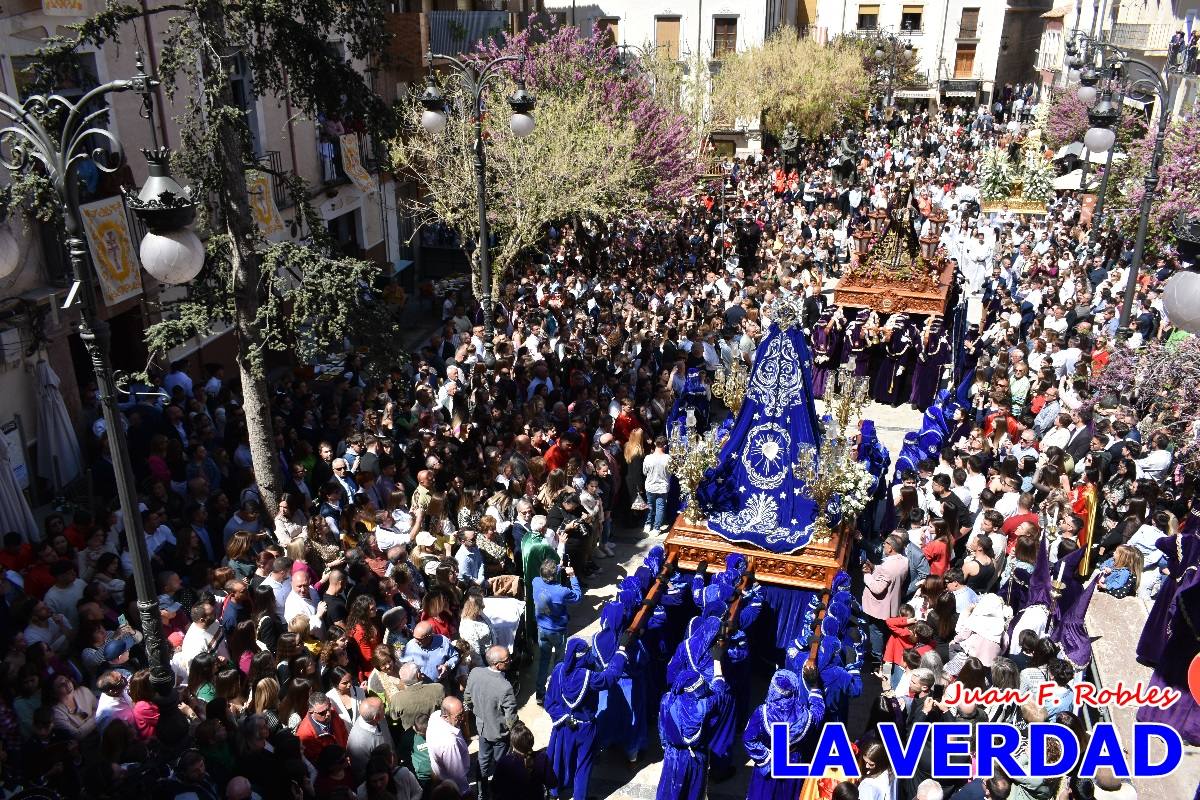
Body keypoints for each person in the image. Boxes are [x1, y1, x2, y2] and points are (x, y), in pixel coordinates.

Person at [545, 635, 630, 800]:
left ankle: (554, 792)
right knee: (583, 765)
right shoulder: (589, 677)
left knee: (559, 759)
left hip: (563, 726)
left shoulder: (558, 671)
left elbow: (550, 702)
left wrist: (563, 718)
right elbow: (610, 677)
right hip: (585, 729)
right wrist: (620, 652)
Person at [463, 645, 517, 800]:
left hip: (481, 729)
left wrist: (478, 712)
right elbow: (510, 717)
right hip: (499, 734)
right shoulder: (505, 687)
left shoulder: (475, 672)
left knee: (482, 762)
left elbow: (467, 697)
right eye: (507, 659)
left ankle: (481, 793)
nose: (510, 661)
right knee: (502, 765)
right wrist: (513, 733)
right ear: (497, 664)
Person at [531, 559, 581, 703]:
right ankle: (557, 690)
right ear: (554, 576)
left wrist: (559, 567)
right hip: (558, 631)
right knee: (559, 662)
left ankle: (540, 694)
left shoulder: (536, 582)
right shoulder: (562, 591)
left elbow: (547, 574)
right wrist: (572, 576)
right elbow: (577, 597)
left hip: (542, 629)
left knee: (544, 661)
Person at [426, 696, 470, 796]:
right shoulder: (449, 742)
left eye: (463, 713)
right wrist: (466, 792)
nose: (463, 718)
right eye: (459, 716)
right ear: (445, 717)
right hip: (452, 787)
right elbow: (457, 775)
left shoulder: (436, 715)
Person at [347, 697, 394, 782]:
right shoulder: (358, 743)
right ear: (376, 717)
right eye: (383, 707)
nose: (385, 708)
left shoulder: (379, 718)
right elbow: (363, 775)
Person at [297, 691, 350, 763]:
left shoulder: (333, 713)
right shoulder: (305, 734)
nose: (328, 714)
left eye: (329, 708)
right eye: (322, 713)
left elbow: (344, 735)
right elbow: (316, 762)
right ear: (311, 712)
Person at [642, 435, 671, 534]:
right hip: (663, 487)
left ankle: (647, 524)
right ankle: (656, 528)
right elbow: (671, 472)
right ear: (665, 446)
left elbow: (645, 472)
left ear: (655, 444)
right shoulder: (668, 458)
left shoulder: (648, 458)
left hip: (650, 486)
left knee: (650, 505)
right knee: (660, 507)